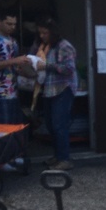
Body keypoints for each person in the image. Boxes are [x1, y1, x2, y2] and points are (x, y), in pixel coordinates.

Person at [32, 17, 78, 171]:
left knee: (59, 125)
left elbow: (69, 69)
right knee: (51, 125)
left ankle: (65, 159)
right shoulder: (45, 46)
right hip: (48, 89)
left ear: (53, 32)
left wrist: (47, 65)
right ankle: (58, 156)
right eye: (40, 33)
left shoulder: (64, 46)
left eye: (45, 33)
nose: (42, 36)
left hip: (62, 89)